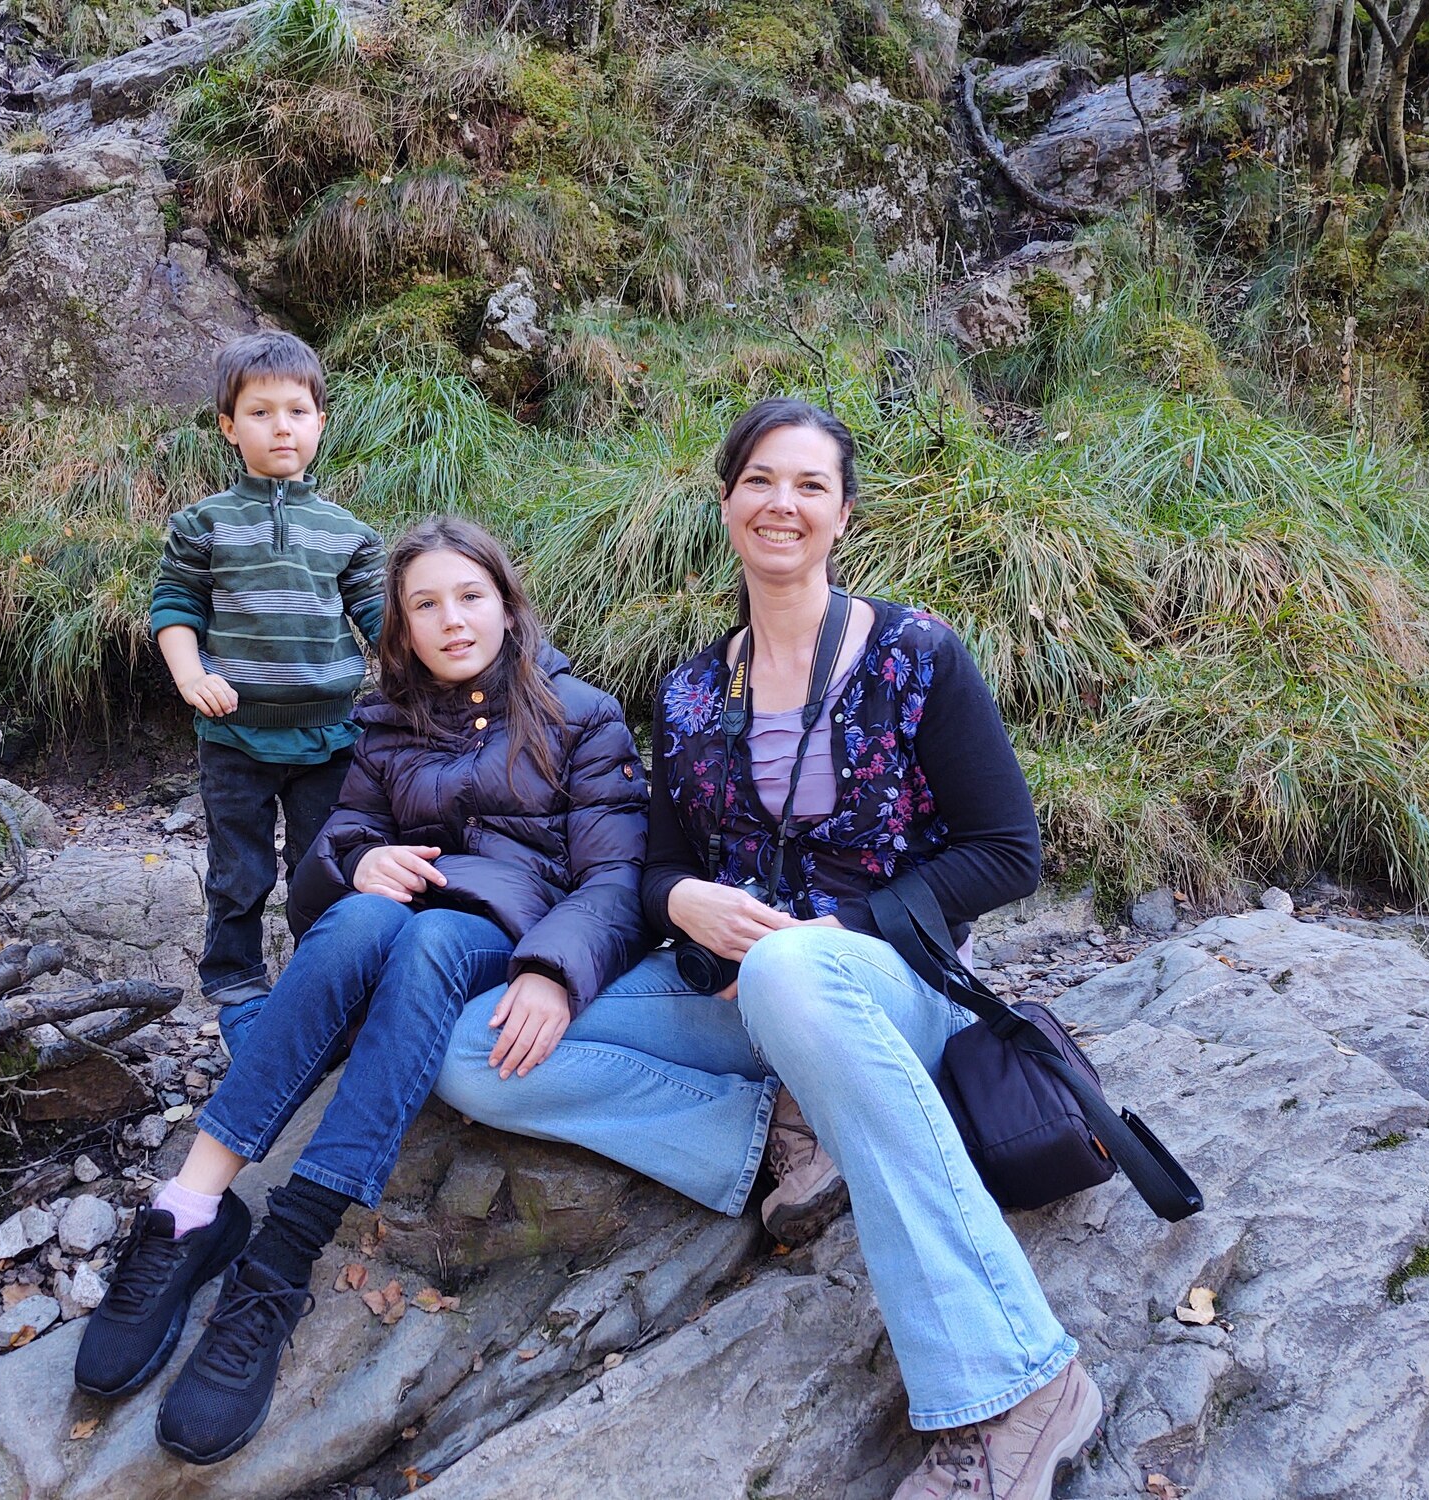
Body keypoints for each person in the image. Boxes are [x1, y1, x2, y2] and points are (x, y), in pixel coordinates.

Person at [436, 399, 1101, 1500]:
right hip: (730, 997)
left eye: (806, 485)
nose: (779, 503)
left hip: (886, 988)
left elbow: (1006, 854)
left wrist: (835, 934)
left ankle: (1022, 1383)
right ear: (726, 501)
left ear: (841, 515)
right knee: (474, 1050)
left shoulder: (914, 654)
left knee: (794, 970)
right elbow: (650, 870)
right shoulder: (691, 688)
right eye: (758, 480)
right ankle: (773, 1130)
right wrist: (686, 897)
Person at [78, 516, 650, 1468]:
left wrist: (554, 972)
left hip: (501, 923)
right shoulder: (387, 718)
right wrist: (359, 855)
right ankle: (189, 1208)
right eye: (425, 605)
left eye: (469, 597)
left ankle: (280, 1257)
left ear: (507, 606)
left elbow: (614, 879)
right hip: (392, 913)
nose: (451, 621)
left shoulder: (580, 716)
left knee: (424, 942)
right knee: (355, 918)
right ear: (401, 626)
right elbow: (333, 846)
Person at [148, 330, 386, 1026]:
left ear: (320, 421)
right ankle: (234, 979)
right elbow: (175, 606)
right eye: (259, 412)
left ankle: (322, 980)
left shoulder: (348, 531)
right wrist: (191, 675)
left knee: (322, 867)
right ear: (228, 426)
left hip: (330, 736)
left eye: (296, 411)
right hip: (234, 736)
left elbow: (379, 620)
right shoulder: (203, 525)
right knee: (239, 868)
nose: (280, 426)